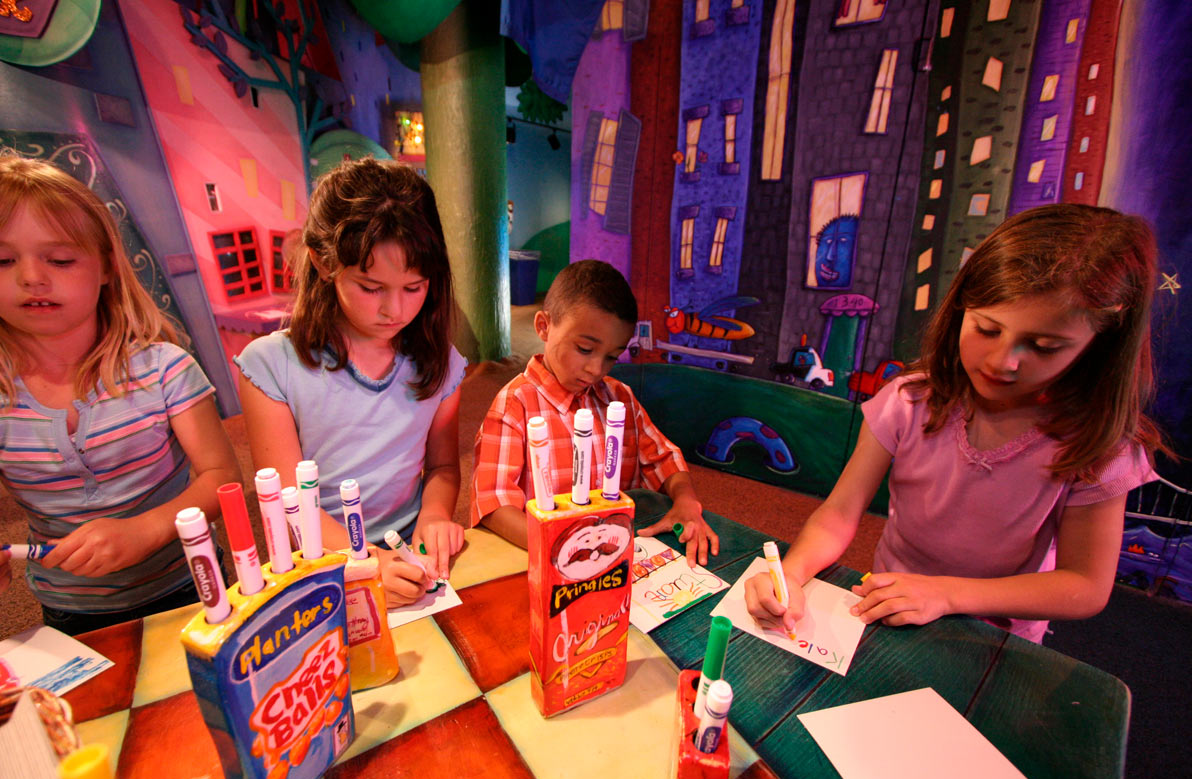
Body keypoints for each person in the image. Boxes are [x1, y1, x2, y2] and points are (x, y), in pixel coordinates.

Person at [746, 204, 1164, 643]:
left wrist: (946, 595)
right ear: (961, 309)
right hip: (887, 612)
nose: (1003, 362)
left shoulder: (1099, 446)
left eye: (1043, 346)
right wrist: (789, 574)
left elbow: (1084, 586)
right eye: (987, 329)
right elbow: (839, 513)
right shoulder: (908, 401)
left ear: (1099, 345)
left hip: (994, 638)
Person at [0, 154, 241, 635]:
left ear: (107, 266)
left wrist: (146, 530)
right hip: (69, 606)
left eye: (60, 259)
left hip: (189, 584)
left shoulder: (166, 369)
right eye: (1, 260)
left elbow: (222, 478)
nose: (31, 277)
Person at [236, 157, 465, 605]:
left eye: (414, 287)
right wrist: (359, 560)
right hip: (320, 564)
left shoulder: (441, 363)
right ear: (323, 264)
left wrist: (435, 516)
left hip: (409, 554)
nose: (393, 311)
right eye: (371, 286)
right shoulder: (271, 368)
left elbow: (442, 468)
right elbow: (288, 503)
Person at [472, 259, 720, 564]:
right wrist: (558, 548)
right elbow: (494, 503)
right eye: (585, 350)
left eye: (611, 357)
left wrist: (686, 500)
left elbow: (664, 457)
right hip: (545, 558)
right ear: (543, 327)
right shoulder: (514, 406)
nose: (595, 369)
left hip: (616, 551)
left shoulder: (620, 397)